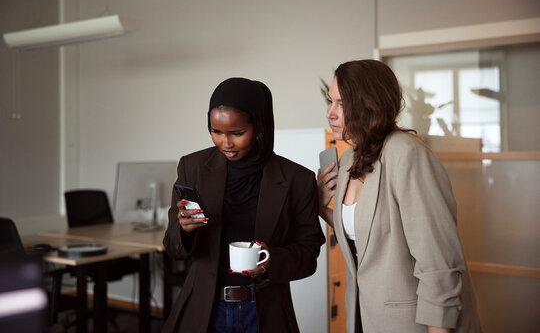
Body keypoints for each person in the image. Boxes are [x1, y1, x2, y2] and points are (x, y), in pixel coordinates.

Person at [317, 60, 482, 333]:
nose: (329, 113)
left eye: (341, 103)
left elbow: (438, 262)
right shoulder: (347, 161)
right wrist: (322, 208)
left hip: (412, 322)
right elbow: (370, 236)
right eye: (330, 101)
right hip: (363, 318)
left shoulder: (407, 154)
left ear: (368, 104)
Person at [162, 77, 325, 333]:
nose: (226, 144)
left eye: (237, 133)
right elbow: (173, 248)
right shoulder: (192, 168)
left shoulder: (296, 179)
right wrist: (185, 230)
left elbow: (308, 255)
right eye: (216, 132)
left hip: (265, 313)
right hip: (204, 309)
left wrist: (271, 259)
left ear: (258, 126)